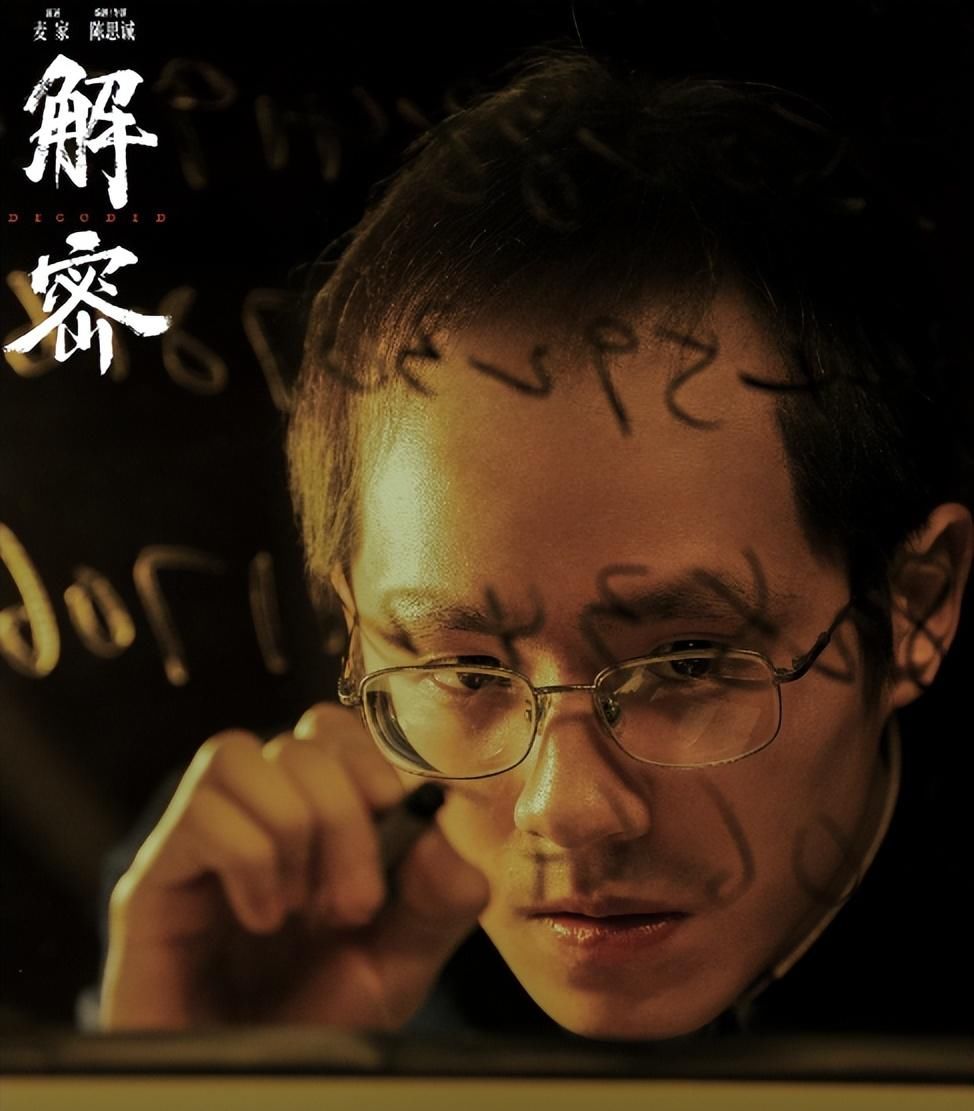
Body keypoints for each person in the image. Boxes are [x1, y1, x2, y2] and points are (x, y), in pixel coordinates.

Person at [98, 51, 972, 1041]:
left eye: (687, 661)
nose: (567, 811)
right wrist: (177, 1100)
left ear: (913, 605)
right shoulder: (235, 920)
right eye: (465, 672)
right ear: (353, 634)